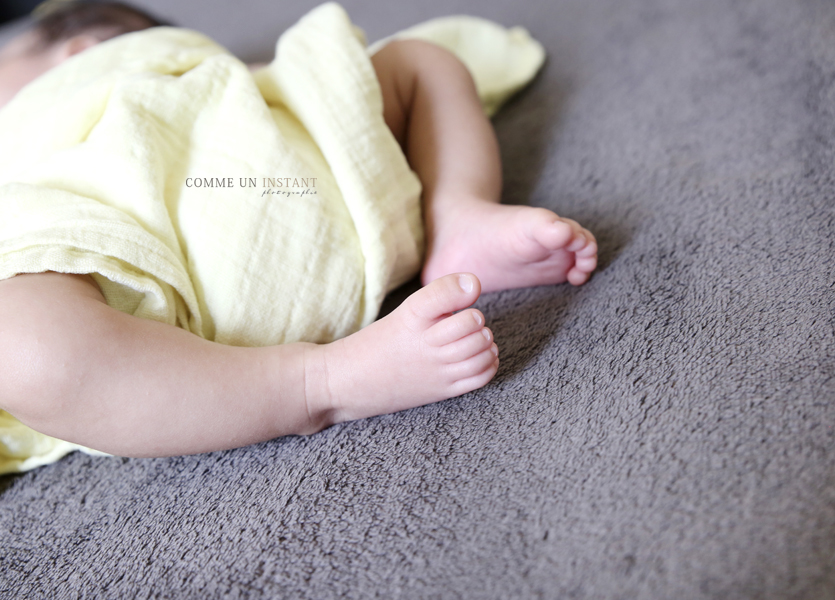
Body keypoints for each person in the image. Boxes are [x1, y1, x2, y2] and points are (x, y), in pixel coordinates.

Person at [0, 2, 597, 461]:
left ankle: (454, 223)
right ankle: (323, 376)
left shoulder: (101, 83)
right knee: (419, 64)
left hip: (189, 236)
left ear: (80, 48)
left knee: (19, 342)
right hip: (289, 193)